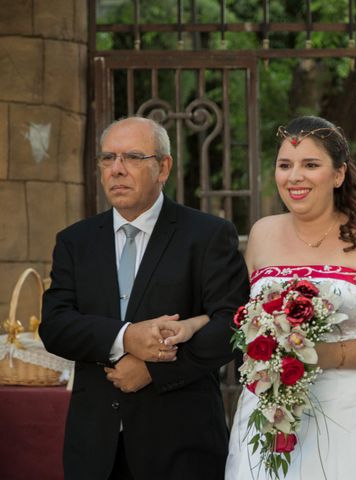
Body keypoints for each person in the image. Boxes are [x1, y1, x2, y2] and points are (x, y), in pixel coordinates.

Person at [220, 115, 356, 479]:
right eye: (285, 165)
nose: (294, 176)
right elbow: (241, 315)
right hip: (272, 418)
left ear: (338, 175)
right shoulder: (261, 234)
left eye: (310, 165)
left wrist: (325, 356)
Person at [40, 116, 249, 480]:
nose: (117, 169)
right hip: (94, 448)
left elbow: (233, 324)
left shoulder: (207, 234)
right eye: (108, 159)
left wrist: (153, 369)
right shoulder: (75, 241)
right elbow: (56, 326)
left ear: (163, 167)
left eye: (132, 157)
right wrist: (125, 338)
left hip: (182, 444)